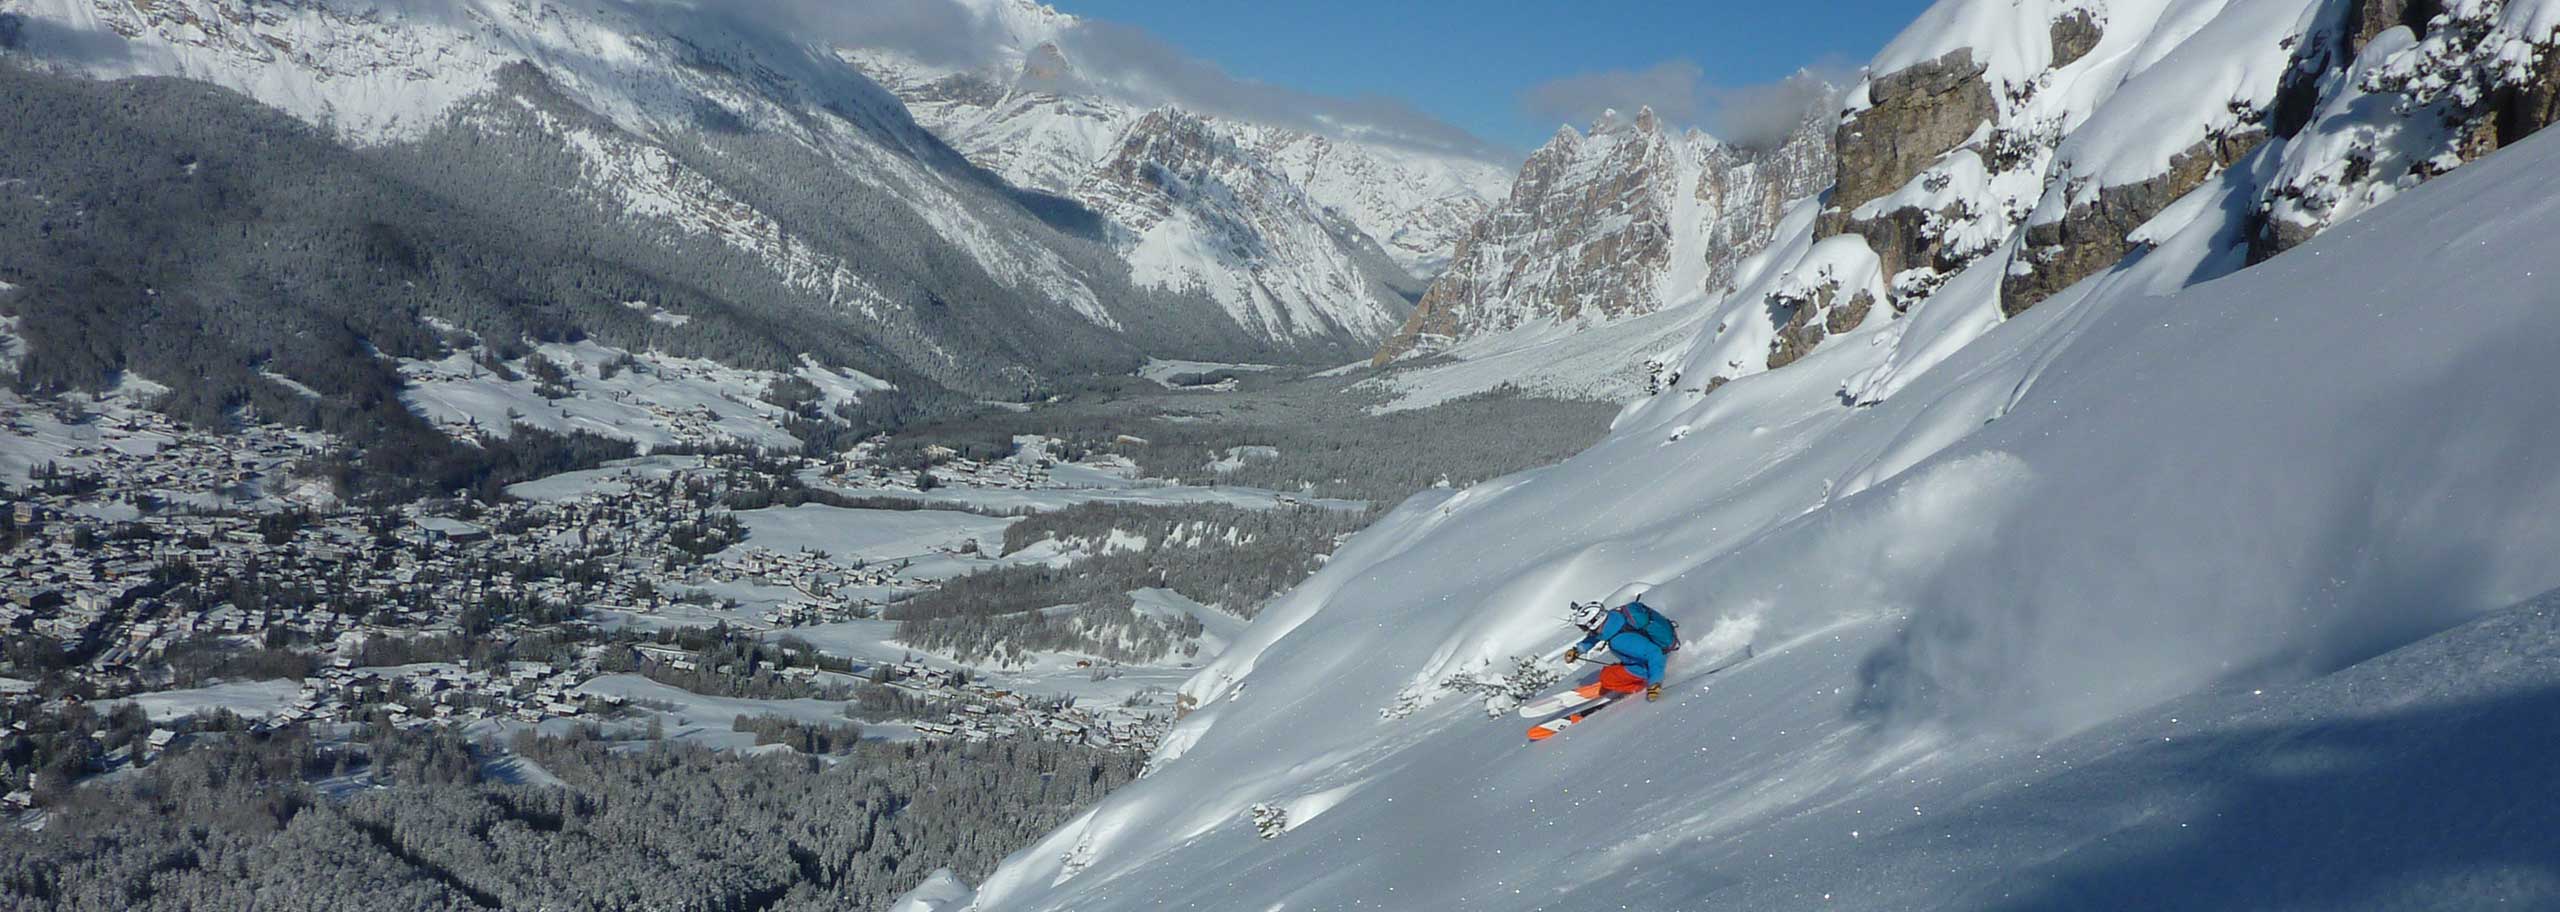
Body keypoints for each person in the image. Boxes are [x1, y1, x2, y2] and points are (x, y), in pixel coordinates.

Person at [1561, 593, 1679, 702]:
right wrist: (1578, 650)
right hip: (1647, 654)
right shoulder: (1614, 617)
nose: (1585, 631)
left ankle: (1640, 687)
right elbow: (1597, 635)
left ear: (1594, 623)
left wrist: (1655, 683)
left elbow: (1655, 653)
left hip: (1648, 667)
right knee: (1612, 671)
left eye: (1584, 627)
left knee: (1607, 677)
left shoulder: (1619, 640)